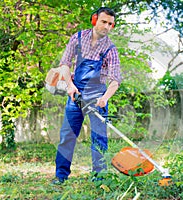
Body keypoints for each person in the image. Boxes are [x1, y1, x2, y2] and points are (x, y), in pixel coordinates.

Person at [52, 7, 121, 184]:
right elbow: (65, 64)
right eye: (104, 22)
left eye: (110, 24)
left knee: (99, 138)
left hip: (98, 97)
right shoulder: (78, 38)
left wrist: (104, 98)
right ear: (94, 20)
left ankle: (100, 178)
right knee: (67, 136)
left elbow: (115, 80)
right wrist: (70, 86)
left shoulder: (111, 49)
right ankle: (60, 176)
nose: (106, 26)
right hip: (76, 95)